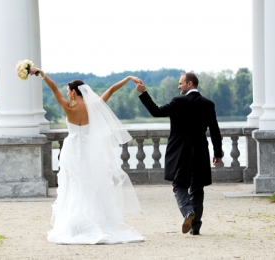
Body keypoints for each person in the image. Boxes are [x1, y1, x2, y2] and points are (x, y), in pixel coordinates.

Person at [29, 67, 145, 245]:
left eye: (68, 91)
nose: (67, 94)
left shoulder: (68, 107)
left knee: (74, 183)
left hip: (72, 147)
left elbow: (53, 88)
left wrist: (42, 74)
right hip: (90, 148)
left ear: (74, 92)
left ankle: (76, 223)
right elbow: (112, 89)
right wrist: (129, 78)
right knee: (91, 182)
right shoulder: (94, 106)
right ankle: (95, 220)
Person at [135, 72, 223, 235]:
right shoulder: (208, 104)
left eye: (180, 83)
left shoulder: (178, 101)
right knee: (197, 188)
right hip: (201, 150)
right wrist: (218, 152)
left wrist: (143, 93)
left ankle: (188, 211)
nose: (178, 86)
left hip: (181, 151)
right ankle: (195, 227)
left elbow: (156, 111)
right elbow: (215, 130)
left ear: (190, 84)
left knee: (179, 185)